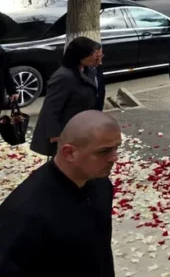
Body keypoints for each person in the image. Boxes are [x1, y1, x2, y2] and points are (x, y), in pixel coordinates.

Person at [0, 110, 119, 276]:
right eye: (104, 151)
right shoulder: (25, 213)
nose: (114, 157)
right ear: (69, 152)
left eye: (116, 148)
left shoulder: (101, 185)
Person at [30, 37, 104, 157]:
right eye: (95, 58)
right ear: (80, 56)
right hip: (67, 129)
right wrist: (55, 134)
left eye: (101, 57)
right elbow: (51, 108)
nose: (99, 61)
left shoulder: (89, 70)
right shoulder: (63, 77)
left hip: (84, 125)